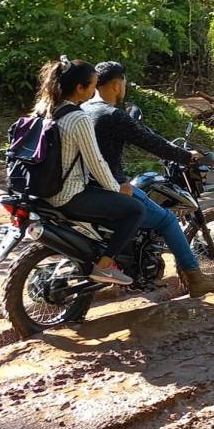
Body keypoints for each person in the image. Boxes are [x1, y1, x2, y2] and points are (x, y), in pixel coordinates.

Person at [82, 61, 214, 298]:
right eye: (124, 83)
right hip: (111, 186)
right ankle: (195, 278)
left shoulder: (84, 108)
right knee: (167, 220)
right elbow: (152, 142)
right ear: (117, 85)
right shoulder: (113, 115)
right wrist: (188, 157)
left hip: (85, 186)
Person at [34, 56, 144, 286]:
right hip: (68, 195)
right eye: (93, 85)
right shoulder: (78, 117)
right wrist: (116, 190)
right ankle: (105, 266)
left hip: (41, 191)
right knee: (134, 210)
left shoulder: (45, 110)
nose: (95, 91)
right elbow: (96, 162)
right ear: (80, 88)